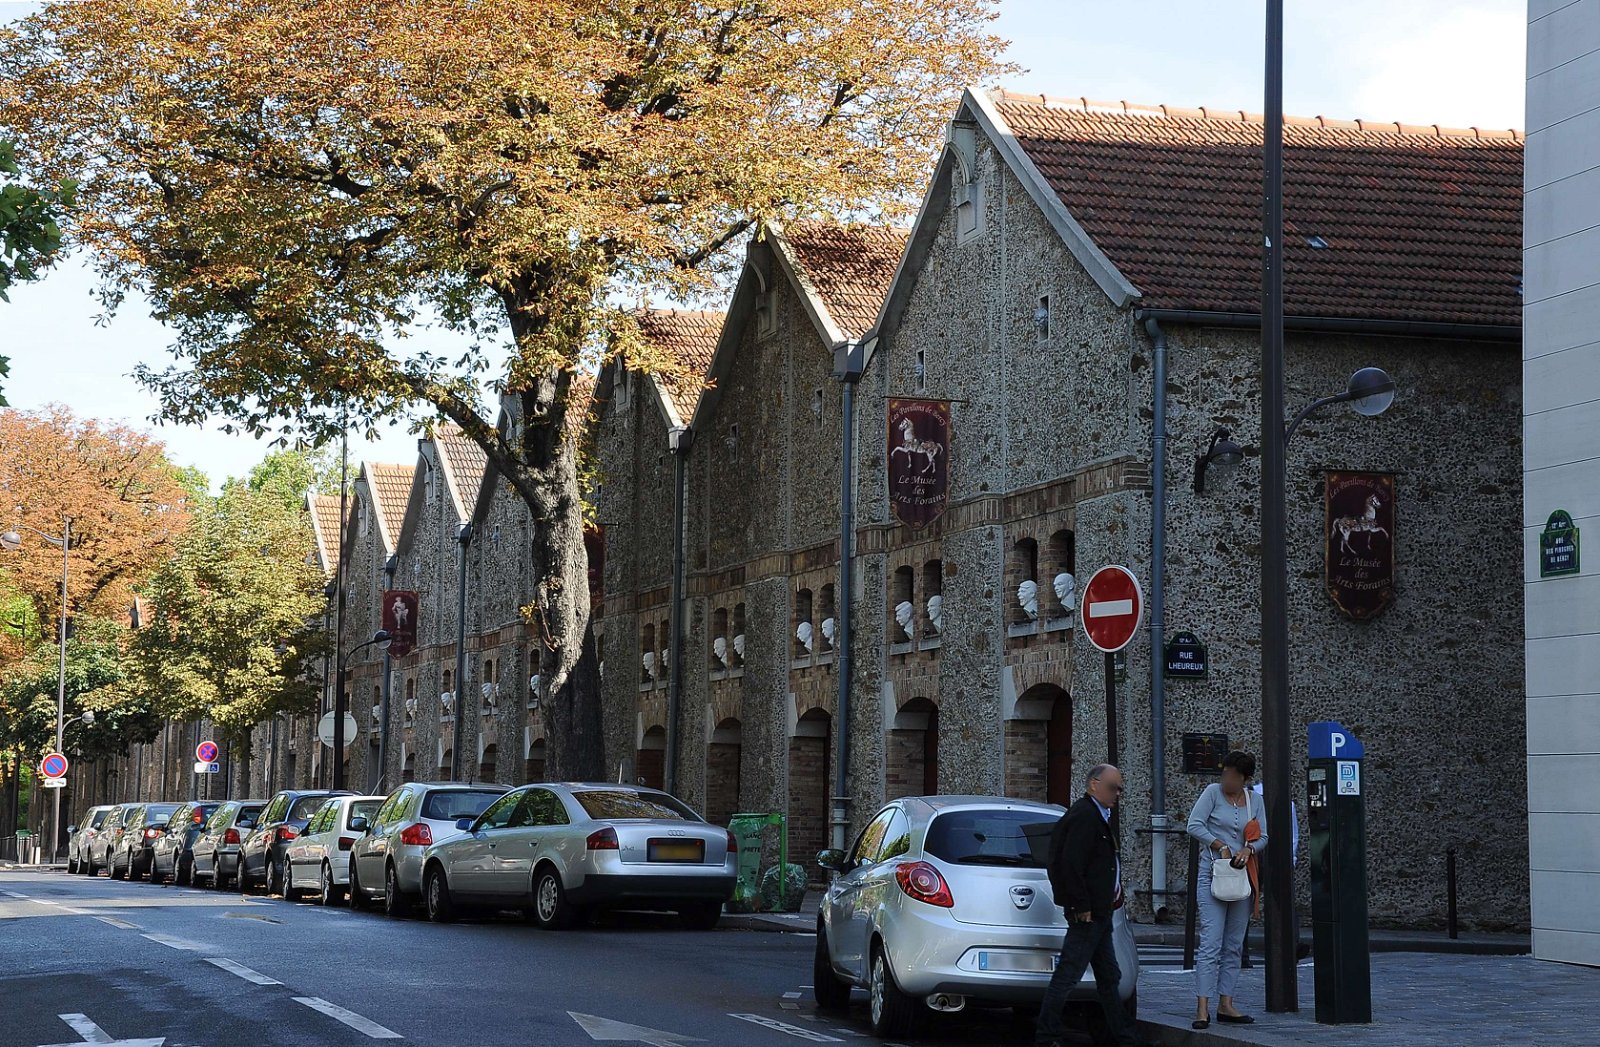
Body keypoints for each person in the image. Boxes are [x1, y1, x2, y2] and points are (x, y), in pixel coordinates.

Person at [1036, 763, 1141, 1047]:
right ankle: (1046, 1036)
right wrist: (1081, 905)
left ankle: (1125, 1037)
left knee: (1109, 976)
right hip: (1089, 913)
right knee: (1068, 975)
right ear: (1094, 784)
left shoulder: (1096, 815)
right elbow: (1070, 863)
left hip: (1100, 912)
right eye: (1112, 787)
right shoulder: (1085, 816)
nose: (1117, 793)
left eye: (1120, 788)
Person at [1187, 749, 1268, 1029]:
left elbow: (1264, 836)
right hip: (1213, 875)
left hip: (1242, 877)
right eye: (1225, 774)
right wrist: (1219, 844)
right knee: (1211, 942)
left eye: (1233, 776)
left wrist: (1249, 848)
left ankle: (1226, 1003)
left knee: (1234, 945)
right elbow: (1194, 825)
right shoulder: (1212, 793)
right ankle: (1202, 1007)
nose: (1227, 780)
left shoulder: (1253, 799)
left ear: (1246, 778)